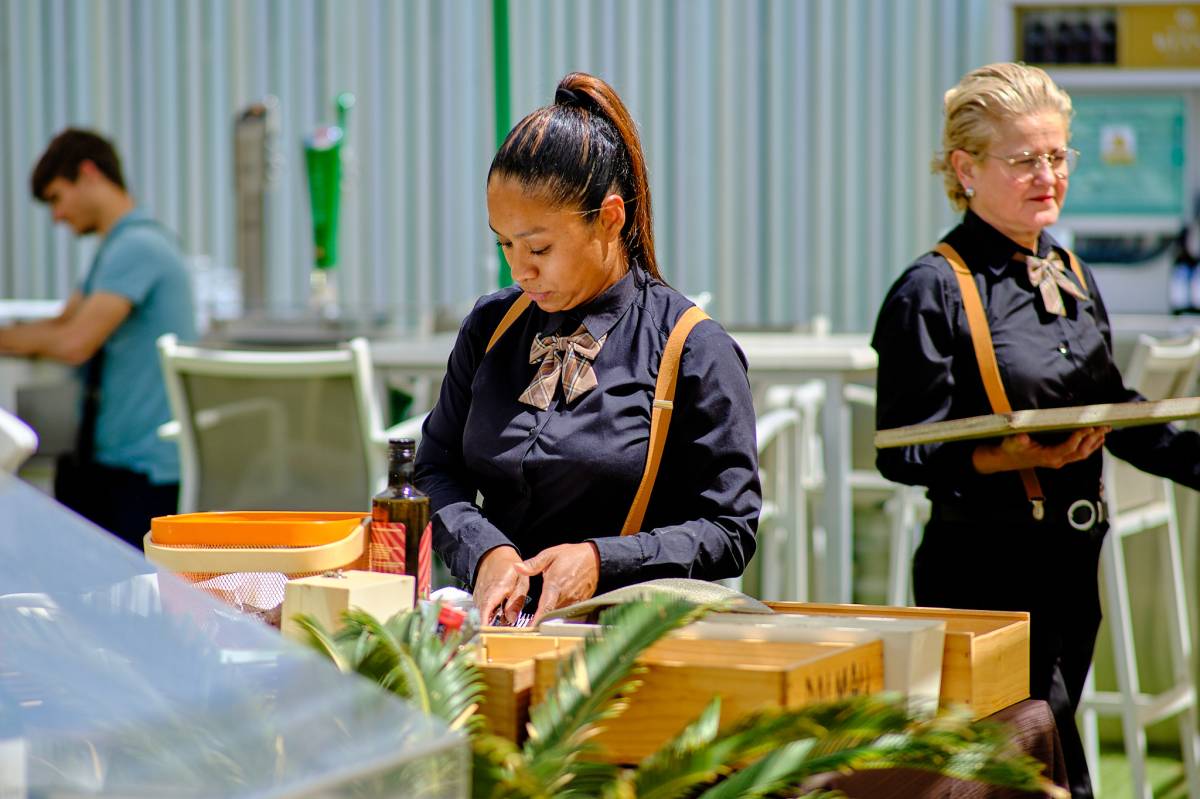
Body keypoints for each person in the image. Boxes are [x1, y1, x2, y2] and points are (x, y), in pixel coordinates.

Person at [873, 63, 1200, 799]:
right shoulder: (932, 289)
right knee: (1045, 768)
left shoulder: (1073, 271)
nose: (1047, 174)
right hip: (984, 568)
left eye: (1057, 156)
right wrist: (1006, 455)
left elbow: (1112, 409)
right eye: (1024, 160)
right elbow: (902, 448)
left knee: (1032, 763)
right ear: (967, 168)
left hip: (1072, 563)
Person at [414, 72, 760, 627]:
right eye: (504, 244)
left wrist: (601, 561)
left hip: (626, 646)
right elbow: (433, 470)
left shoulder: (693, 348)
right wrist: (485, 551)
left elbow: (728, 530)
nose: (519, 269)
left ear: (611, 218)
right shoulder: (490, 326)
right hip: (496, 636)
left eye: (539, 247)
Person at [0, 128, 196, 548]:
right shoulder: (114, 249)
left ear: (88, 173)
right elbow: (62, 324)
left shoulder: (138, 246)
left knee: (127, 600)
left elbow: (74, 342)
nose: (56, 216)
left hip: (142, 469)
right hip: (112, 463)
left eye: (56, 197)